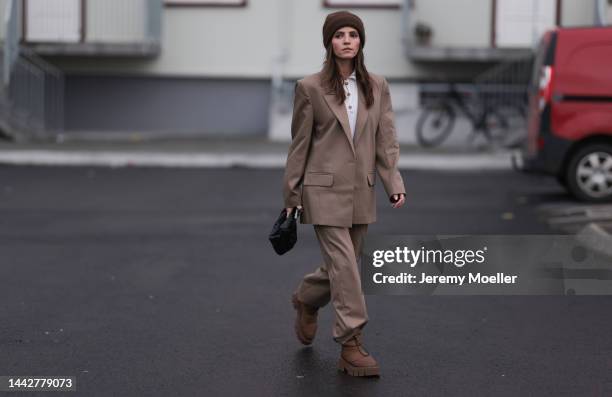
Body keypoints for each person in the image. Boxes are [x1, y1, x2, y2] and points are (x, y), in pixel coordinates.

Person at [282, 10, 406, 377]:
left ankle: (306, 297)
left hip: (361, 191)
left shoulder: (377, 86)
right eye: (340, 35)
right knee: (347, 269)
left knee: (345, 266)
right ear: (330, 42)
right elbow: (299, 145)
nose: (347, 40)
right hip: (321, 191)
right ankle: (351, 344)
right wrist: (291, 196)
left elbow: (386, 139)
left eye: (353, 34)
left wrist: (393, 183)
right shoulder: (310, 87)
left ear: (360, 41)